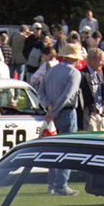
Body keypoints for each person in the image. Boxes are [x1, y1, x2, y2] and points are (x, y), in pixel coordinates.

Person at [38, 42, 86, 195]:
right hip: (66, 112)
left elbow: (41, 92)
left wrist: (49, 106)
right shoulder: (74, 73)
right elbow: (68, 95)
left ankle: (51, 184)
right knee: (67, 150)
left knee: (53, 150)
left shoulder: (50, 71)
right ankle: (61, 185)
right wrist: (55, 109)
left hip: (52, 113)